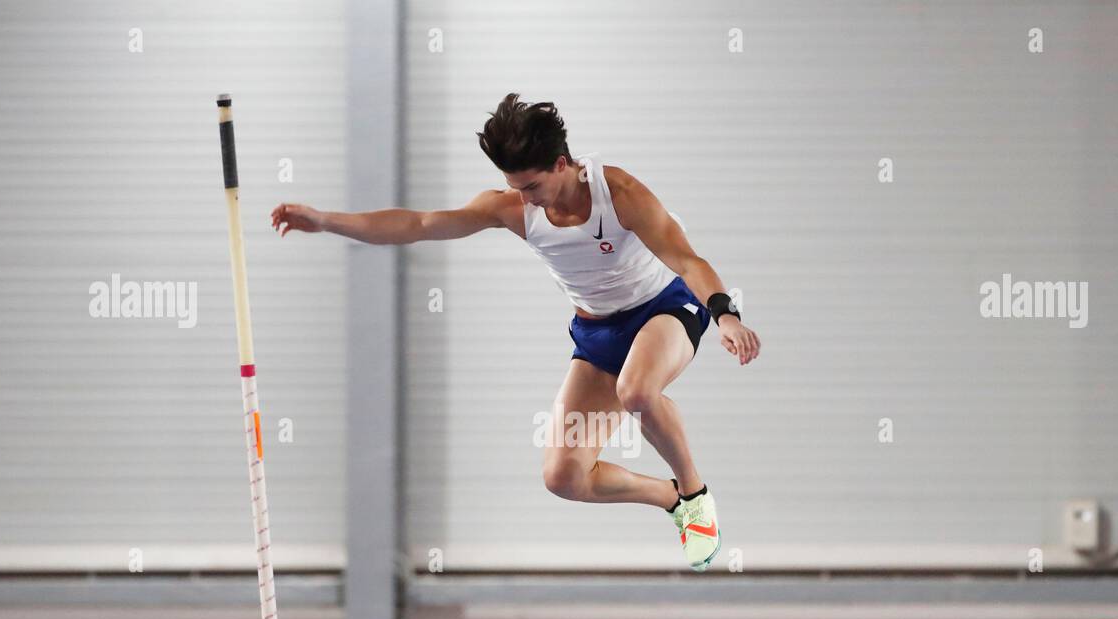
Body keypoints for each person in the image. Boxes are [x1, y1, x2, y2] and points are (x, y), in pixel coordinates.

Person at [270, 93, 760, 571]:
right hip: (597, 332)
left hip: (666, 307)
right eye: (515, 187)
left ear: (562, 164)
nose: (525, 199)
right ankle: (669, 498)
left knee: (636, 391)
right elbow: (418, 223)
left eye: (532, 186)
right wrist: (326, 220)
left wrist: (725, 315)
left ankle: (695, 494)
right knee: (564, 477)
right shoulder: (512, 208)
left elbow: (686, 258)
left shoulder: (620, 194)